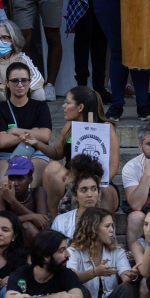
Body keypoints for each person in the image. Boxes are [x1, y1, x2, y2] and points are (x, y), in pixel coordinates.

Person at [39, 87, 120, 216]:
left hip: (100, 181)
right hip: (72, 180)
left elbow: (113, 166)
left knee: (106, 190)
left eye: (68, 102)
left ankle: (103, 231)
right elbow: (56, 153)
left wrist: (92, 186)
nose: (63, 106)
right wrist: (36, 143)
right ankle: (57, 224)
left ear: (80, 107)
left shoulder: (106, 127)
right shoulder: (69, 126)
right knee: (52, 167)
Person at [67, 207, 138, 298]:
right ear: (93, 229)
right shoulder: (74, 252)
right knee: (79, 290)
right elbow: (69, 280)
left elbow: (125, 278)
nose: (112, 230)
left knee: (127, 288)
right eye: (107, 226)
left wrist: (133, 275)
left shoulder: (117, 251)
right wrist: (95, 272)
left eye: (112, 226)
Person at [5, 230, 85, 298]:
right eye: (62, 250)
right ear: (45, 257)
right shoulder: (21, 274)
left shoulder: (67, 274)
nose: (68, 254)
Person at [0, 60, 53, 189]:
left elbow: (45, 136)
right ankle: (1, 210)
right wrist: (33, 133)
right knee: (4, 186)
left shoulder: (40, 106)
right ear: (7, 83)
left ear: (29, 82)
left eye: (24, 80)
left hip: (36, 154)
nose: (20, 84)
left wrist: (16, 131)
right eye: (15, 81)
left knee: (28, 184)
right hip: (5, 156)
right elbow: (1, 142)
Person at [0, 22, 48, 107]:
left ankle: (33, 119)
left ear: (14, 39)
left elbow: (38, 78)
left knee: (39, 92)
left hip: (18, 103)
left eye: (5, 38)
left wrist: (18, 89)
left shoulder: (21, 57)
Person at [0, 156, 50, 240]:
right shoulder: (3, 193)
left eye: (20, 178)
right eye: (11, 178)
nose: (15, 183)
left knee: (28, 227)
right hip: (9, 239)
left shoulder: (38, 192)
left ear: (30, 179)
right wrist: (31, 217)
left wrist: (13, 201)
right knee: (27, 225)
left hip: (34, 241)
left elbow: (42, 223)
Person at [50, 156, 106, 239]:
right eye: (84, 190)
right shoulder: (61, 221)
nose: (90, 194)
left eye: (94, 189)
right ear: (75, 194)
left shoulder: (106, 221)